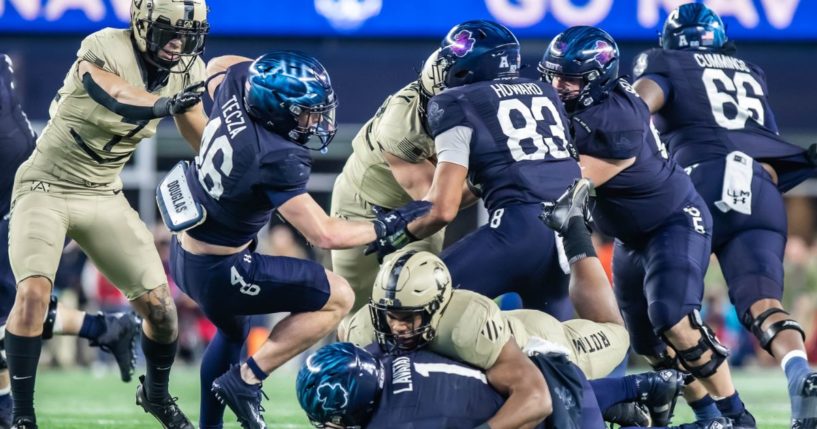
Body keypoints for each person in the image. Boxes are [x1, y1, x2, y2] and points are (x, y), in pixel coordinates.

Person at [163, 51, 430, 429]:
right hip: (222, 270)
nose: (316, 119)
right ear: (276, 109)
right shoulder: (274, 155)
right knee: (339, 297)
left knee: (232, 331)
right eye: (306, 110)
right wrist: (388, 224)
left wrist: (266, 76)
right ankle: (248, 377)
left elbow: (218, 65)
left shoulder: (239, 87)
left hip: (186, 252)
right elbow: (323, 233)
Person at [5, 0, 211, 426]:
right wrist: (161, 105)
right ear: (139, 22)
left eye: (187, 36)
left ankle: (155, 395)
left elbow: (205, 145)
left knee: (161, 310)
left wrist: (242, 169)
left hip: (103, 192)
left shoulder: (188, 70)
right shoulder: (103, 45)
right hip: (47, 184)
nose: (176, 44)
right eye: (167, 31)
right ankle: (22, 415)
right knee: (31, 295)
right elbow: (114, 93)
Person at [540, 25, 755, 428]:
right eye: (553, 75)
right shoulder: (584, 106)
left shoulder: (616, 119)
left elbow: (563, 181)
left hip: (674, 222)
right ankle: (708, 417)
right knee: (649, 344)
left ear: (597, 79)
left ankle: (737, 416)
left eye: (569, 78)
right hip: (630, 237)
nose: (557, 86)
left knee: (674, 319)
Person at [631, 4, 817, 427]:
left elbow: (637, 109)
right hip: (759, 186)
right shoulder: (748, 70)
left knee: (667, 312)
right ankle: (798, 372)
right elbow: (764, 145)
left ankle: (714, 412)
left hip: (698, 182)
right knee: (764, 304)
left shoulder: (664, 62)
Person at [356, 20, 583, 317]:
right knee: (555, 343)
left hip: (517, 229)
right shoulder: (547, 93)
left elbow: (442, 209)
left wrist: (397, 233)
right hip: (571, 234)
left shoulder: (455, 102)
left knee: (411, 303)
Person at [340, 226, 633, 429]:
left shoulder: (467, 324)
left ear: (436, 307)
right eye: (389, 315)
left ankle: (575, 231)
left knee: (615, 332)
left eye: (408, 316)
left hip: (534, 344)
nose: (397, 327)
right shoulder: (364, 330)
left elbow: (535, 398)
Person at [331, 48, 487, 312]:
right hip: (365, 206)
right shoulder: (401, 126)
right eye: (433, 100)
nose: (437, 110)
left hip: (425, 206)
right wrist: (487, 177)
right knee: (354, 307)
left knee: (417, 303)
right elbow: (436, 206)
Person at [295, 342, 729, 429]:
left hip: (549, 415)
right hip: (548, 362)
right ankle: (645, 385)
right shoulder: (392, 355)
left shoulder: (394, 420)